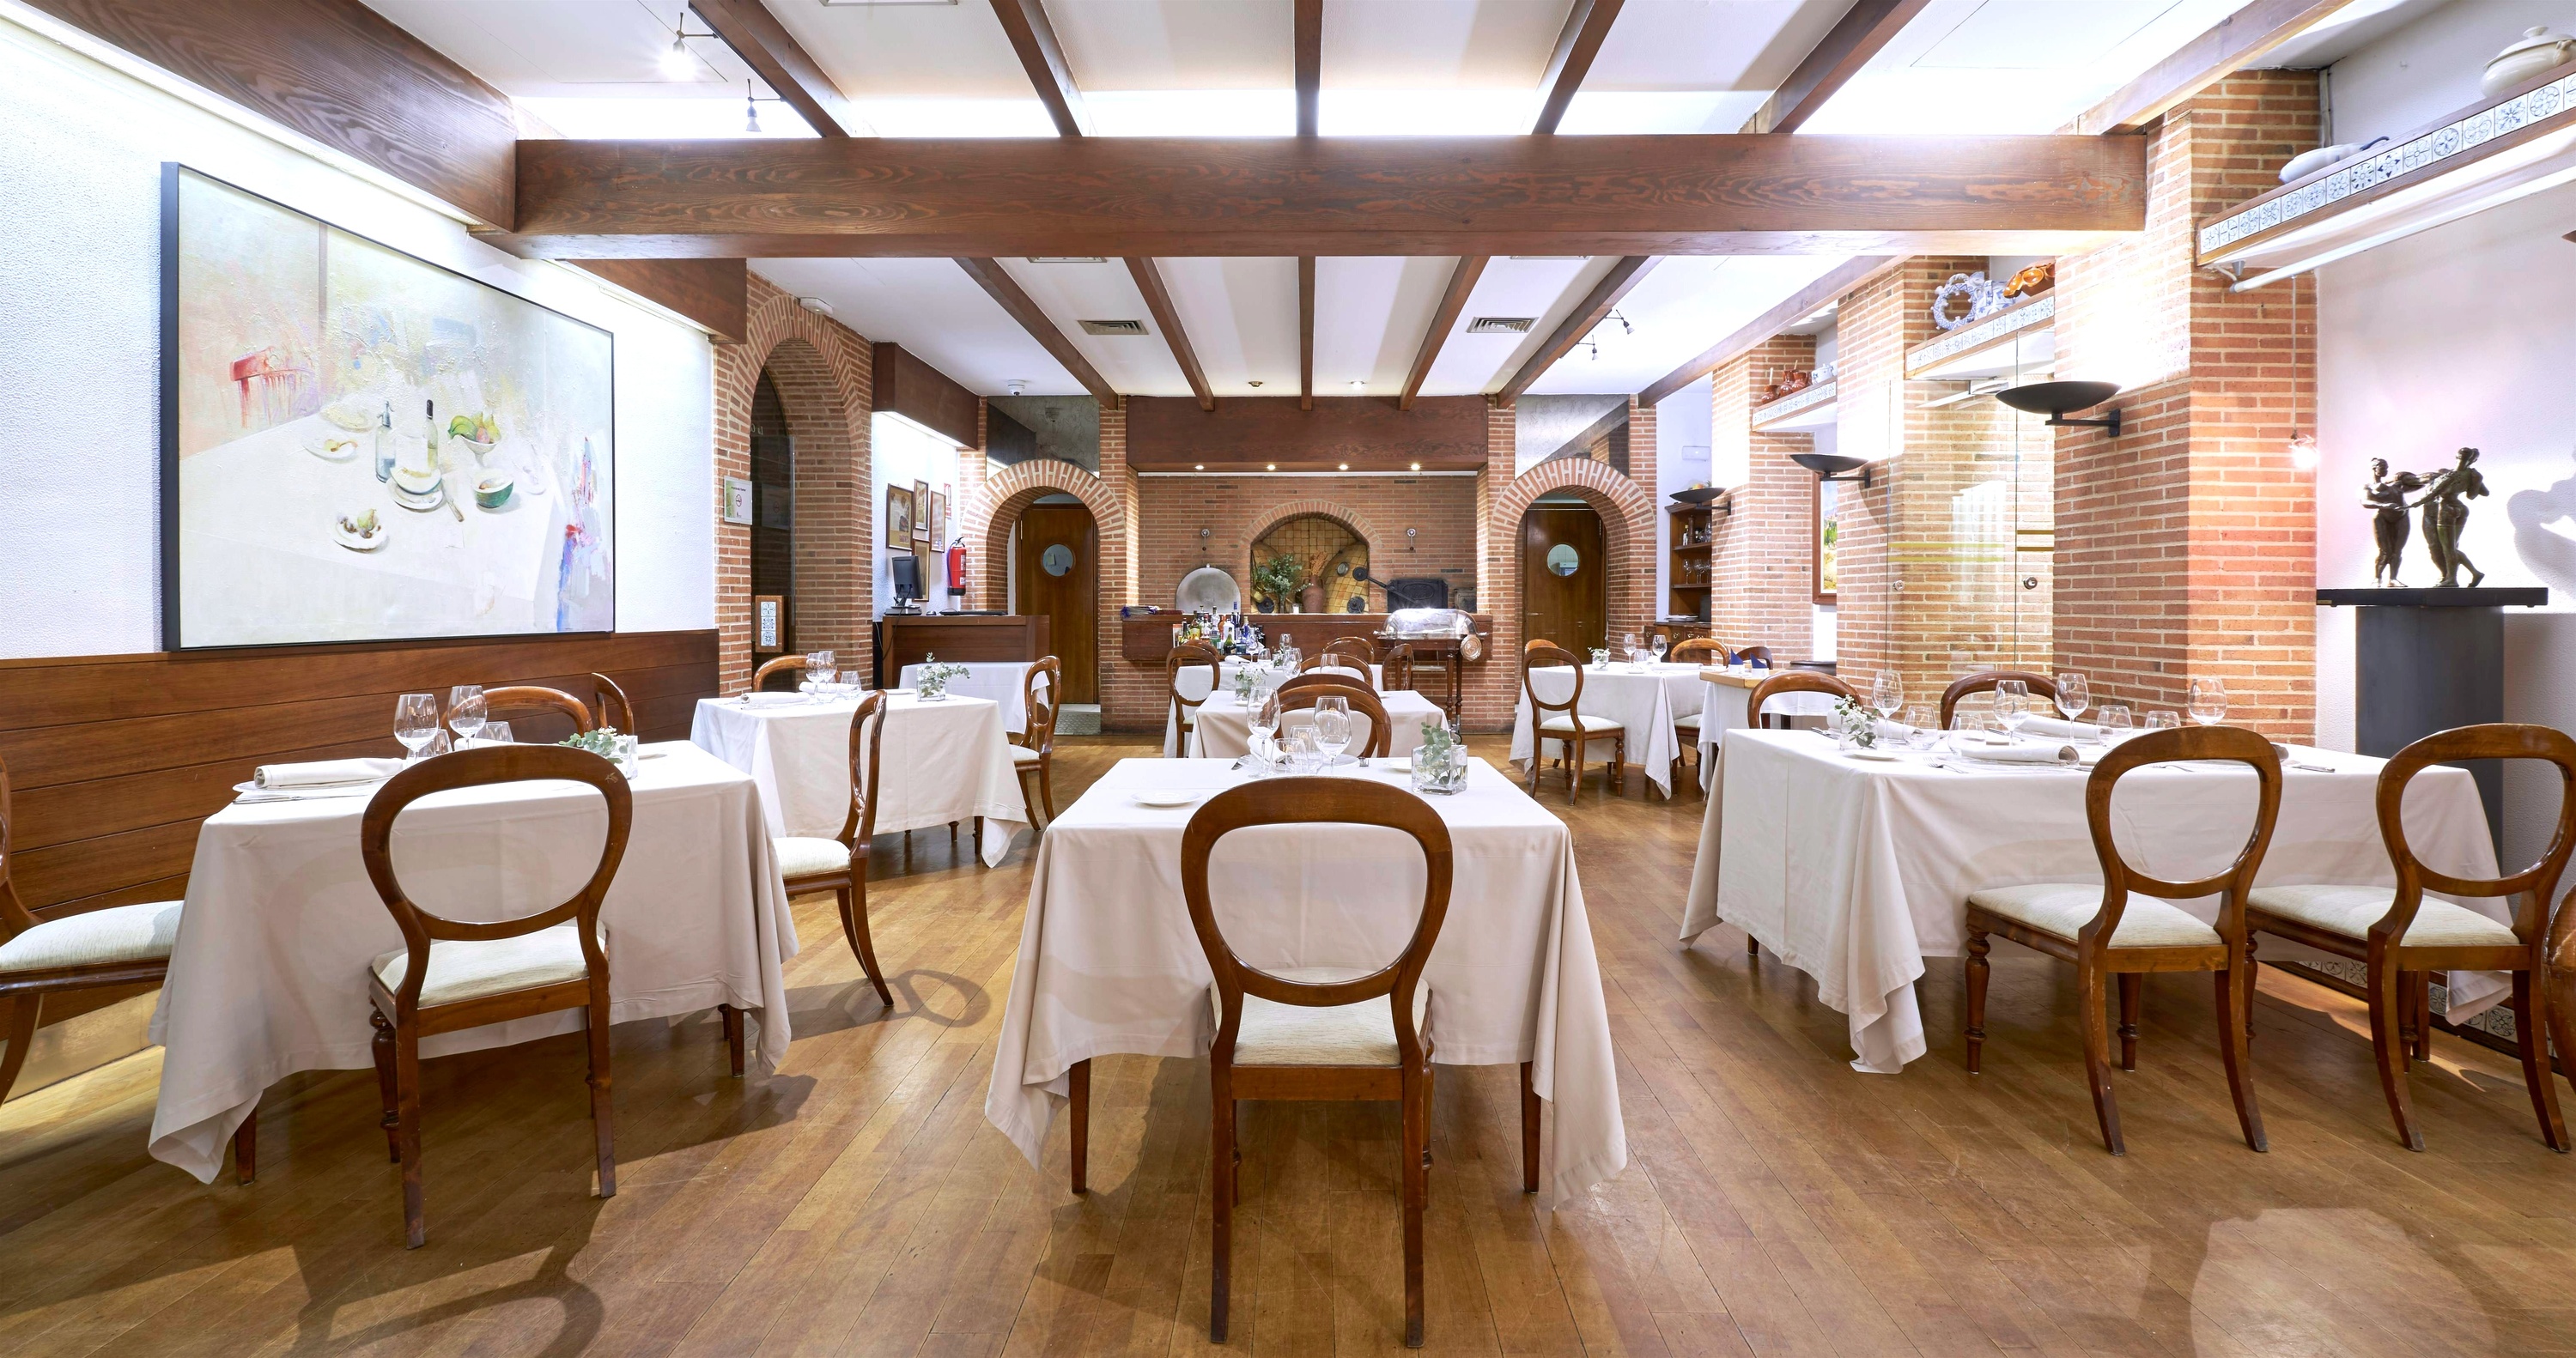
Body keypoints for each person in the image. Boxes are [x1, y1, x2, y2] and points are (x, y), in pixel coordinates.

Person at [2417, 446, 2488, 588]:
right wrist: (2473, 483)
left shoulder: (2451, 475)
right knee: (2450, 547)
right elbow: (2476, 495)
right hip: (2460, 508)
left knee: (2448, 548)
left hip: (2446, 509)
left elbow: (2433, 494)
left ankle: (2453, 578)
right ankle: (2469, 574)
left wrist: (2413, 504)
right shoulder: (2473, 475)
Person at [2364, 458, 2422, 586]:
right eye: (2383, 468)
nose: (2386, 470)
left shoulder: (2396, 484)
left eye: (2387, 468)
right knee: (2384, 551)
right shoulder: (2368, 487)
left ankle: (2393, 579)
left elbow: (2419, 483)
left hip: (2402, 517)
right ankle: (2377, 578)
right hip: (2382, 517)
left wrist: (2407, 476)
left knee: (2397, 550)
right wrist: (2385, 506)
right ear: (2375, 469)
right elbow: (2365, 502)